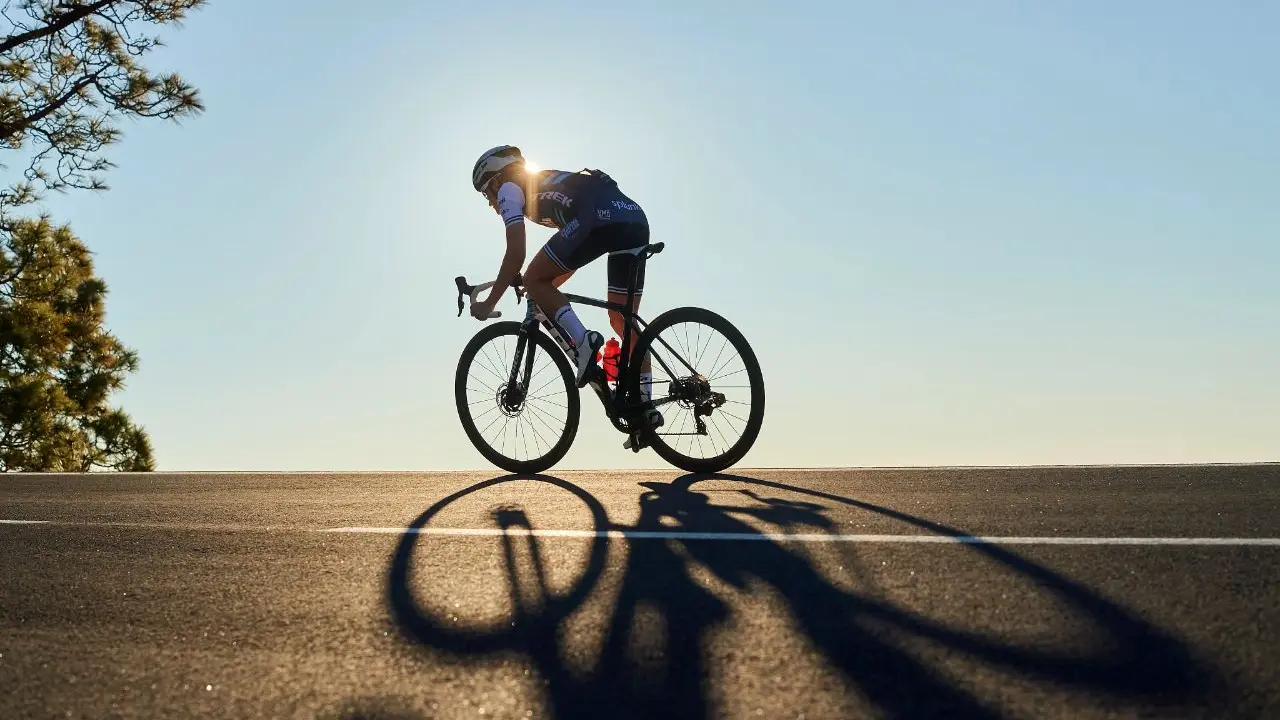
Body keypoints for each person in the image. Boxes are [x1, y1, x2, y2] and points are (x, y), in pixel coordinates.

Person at [469, 145, 663, 432]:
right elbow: (569, 258)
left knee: (535, 278)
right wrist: (542, 288)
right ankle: (644, 409)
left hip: (594, 218)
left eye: (486, 193)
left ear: (496, 179)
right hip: (631, 218)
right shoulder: (542, 184)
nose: (490, 203)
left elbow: (515, 256)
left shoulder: (510, 189)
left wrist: (490, 302)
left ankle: (584, 344)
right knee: (623, 321)